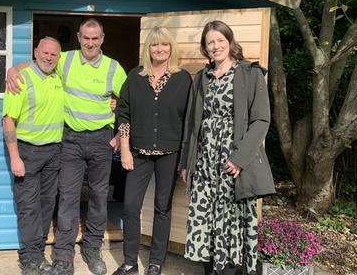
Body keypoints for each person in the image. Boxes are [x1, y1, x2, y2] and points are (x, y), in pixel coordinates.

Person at [7, 18, 127, 275]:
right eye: (86, 38)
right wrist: (13, 70)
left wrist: (119, 136)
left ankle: (92, 249)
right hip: (70, 140)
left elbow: (129, 103)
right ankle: (63, 257)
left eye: (95, 38)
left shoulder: (113, 68)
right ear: (79, 37)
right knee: (68, 199)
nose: (90, 43)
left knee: (98, 197)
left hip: (100, 141)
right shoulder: (67, 59)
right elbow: (40, 63)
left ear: (102, 39)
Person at [178, 20, 275, 275]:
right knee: (205, 219)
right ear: (205, 48)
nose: (216, 46)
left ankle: (230, 271)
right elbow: (192, 124)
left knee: (231, 220)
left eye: (220, 40)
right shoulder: (201, 78)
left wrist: (240, 158)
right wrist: (187, 163)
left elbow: (262, 119)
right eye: (210, 42)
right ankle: (210, 270)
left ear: (230, 42)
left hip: (233, 162)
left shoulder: (250, 73)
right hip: (204, 162)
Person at [113, 27, 191, 275]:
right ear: (148, 48)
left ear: (171, 48)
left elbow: (189, 120)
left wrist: (187, 160)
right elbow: (123, 114)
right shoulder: (135, 77)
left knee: (162, 208)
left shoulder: (183, 79)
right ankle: (130, 262)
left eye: (164, 45)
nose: (160, 49)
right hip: (137, 153)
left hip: (170, 154)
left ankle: (156, 262)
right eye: (155, 45)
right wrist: (125, 150)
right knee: (130, 206)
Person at [3, 37, 64, 275]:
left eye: (54, 55)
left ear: (58, 58)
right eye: (45, 53)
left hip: (53, 152)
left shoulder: (59, 78)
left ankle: (37, 253)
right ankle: (30, 259)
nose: (48, 57)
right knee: (28, 206)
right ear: (36, 52)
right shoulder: (21, 79)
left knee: (47, 204)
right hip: (27, 151)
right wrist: (15, 157)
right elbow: (8, 119)